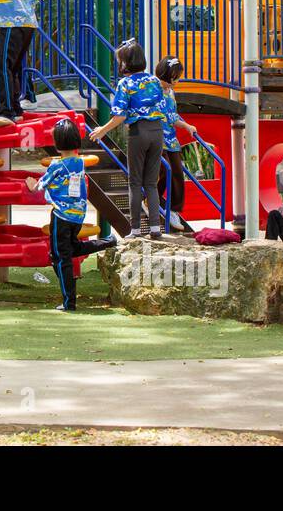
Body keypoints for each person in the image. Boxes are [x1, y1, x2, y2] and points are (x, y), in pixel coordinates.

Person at [27, 119, 116, 311]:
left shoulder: (57, 166)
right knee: (69, 249)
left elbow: (37, 188)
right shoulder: (79, 163)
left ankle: (69, 302)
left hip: (61, 216)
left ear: (57, 144)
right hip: (77, 216)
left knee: (61, 257)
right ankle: (107, 242)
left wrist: (29, 183)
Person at [89, 40, 167, 238]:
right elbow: (163, 106)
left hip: (138, 132)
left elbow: (120, 116)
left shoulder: (126, 83)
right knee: (151, 183)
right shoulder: (154, 81)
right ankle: (156, 228)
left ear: (124, 62)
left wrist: (102, 130)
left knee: (134, 182)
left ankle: (135, 230)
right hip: (157, 132)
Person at [154, 56, 208, 227]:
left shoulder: (170, 92)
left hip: (170, 138)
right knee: (164, 169)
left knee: (177, 171)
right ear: (166, 74)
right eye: (175, 77)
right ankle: (150, 199)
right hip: (155, 136)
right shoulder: (151, 88)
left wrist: (186, 126)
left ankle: (174, 211)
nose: (176, 81)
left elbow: (172, 116)